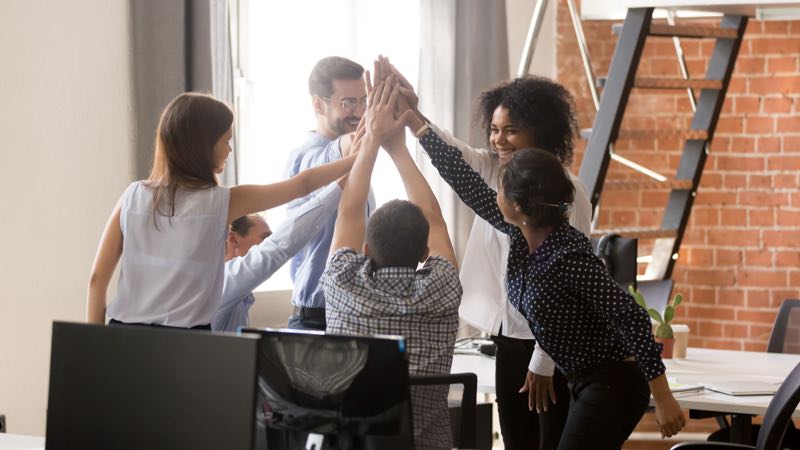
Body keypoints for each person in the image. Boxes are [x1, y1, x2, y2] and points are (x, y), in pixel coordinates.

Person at [416, 126, 686, 449]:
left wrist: (664, 397)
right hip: (581, 377)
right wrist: (420, 132)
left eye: (500, 189)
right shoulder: (521, 234)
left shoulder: (567, 256)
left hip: (614, 381)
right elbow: (468, 185)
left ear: (519, 205)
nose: (494, 195)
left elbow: (633, 317)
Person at [387, 54, 589, 450]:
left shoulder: (567, 192)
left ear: (541, 133)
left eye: (510, 130)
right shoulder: (498, 173)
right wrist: (413, 116)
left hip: (548, 342)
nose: (498, 140)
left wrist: (542, 363)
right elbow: (456, 157)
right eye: (494, 130)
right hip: (510, 337)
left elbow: (568, 291)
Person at [87, 92, 357, 329]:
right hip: (185, 345)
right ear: (203, 146)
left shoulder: (132, 195)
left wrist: (96, 344)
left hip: (122, 333)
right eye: (226, 141)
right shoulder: (221, 202)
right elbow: (303, 184)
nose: (229, 149)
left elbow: (98, 279)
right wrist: (360, 155)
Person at [321, 74, 461, 450]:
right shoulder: (442, 287)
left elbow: (348, 213)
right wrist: (398, 148)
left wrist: (371, 141)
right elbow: (434, 219)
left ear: (366, 249)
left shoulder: (342, 283)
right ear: (422, 254)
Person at [283, 56, 375, 331]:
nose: (358, 112)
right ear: (317, 104)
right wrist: (374, 126)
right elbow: (341, 150)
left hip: (353, 312)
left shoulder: (356, 157)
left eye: (364, 102)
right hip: (316, 316)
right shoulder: (306, 158)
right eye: (347, 102)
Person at [213, 179, 344, 332]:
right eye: (265, 238)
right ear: (233, 239)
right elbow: (281, 245)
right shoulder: (225, 281)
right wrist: (341, 184)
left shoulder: (234, 292)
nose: (268, 244)